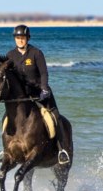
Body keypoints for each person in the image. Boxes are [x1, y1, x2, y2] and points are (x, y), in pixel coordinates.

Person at [5, 24, 69, 164]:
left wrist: (44, 89)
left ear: (27, 38)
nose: (20, 40)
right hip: (22, 96)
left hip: (39, 92)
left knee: (55, 117)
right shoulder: (10, 55)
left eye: (23, 38)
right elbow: (8, 76)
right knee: (7, 118)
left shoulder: (36, 53)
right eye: (17, 38)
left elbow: (44, 73)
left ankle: (61, 150)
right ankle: (6, 150)